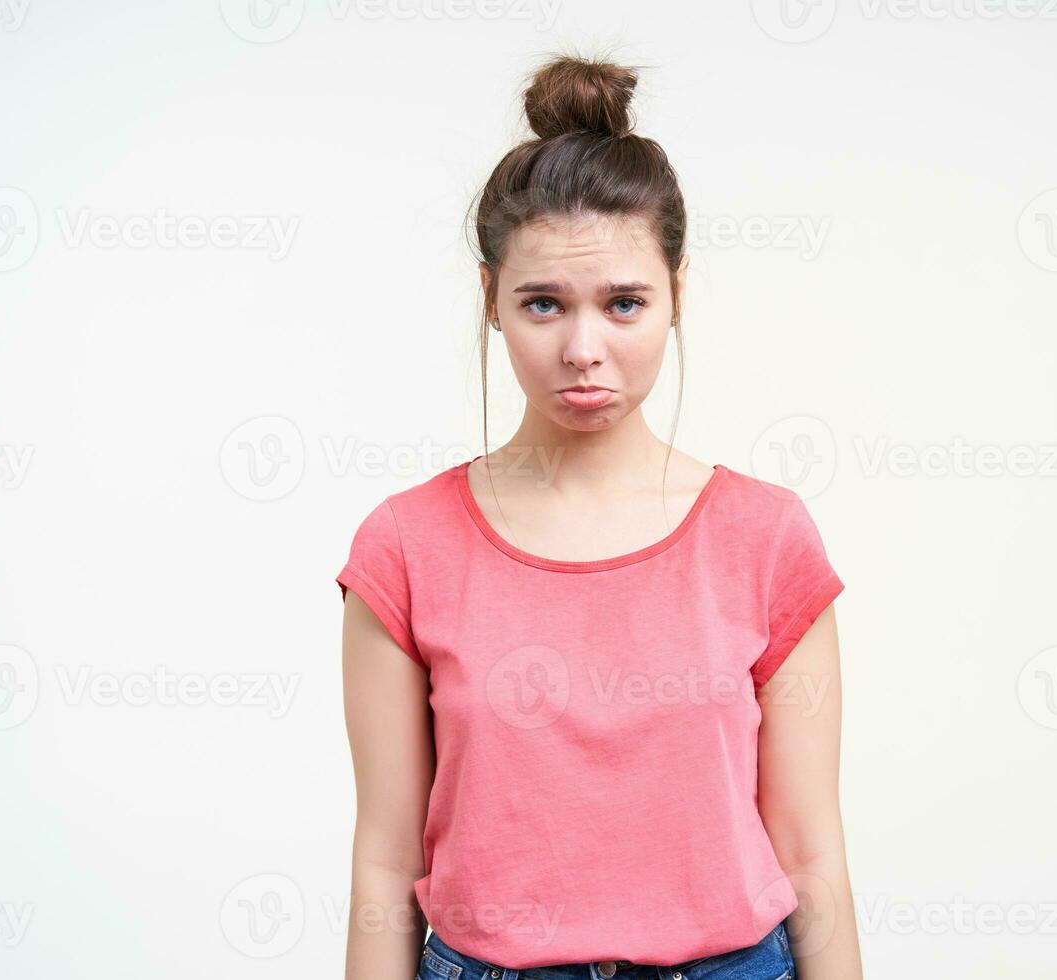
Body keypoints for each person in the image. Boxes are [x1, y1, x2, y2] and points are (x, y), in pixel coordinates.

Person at [338, 53, 864, 980]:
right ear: (490, 301)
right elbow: (387, 859)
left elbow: (812, 852)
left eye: (625, 303)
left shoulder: (767, 539)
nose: (585, 350)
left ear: (678, 293)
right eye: (544, 303)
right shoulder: (405, 548)